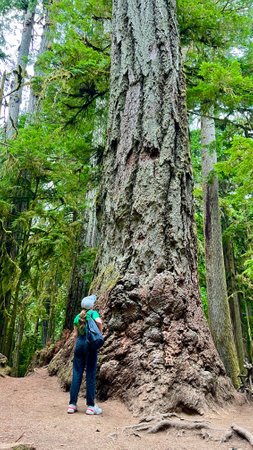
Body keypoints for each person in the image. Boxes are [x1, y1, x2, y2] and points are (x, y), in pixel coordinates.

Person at [67, 294, 103, 415]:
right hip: (90, 344)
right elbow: (99, 322)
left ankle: (72, 405)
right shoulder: (93, 314)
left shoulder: (77, 317)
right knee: (90, 375)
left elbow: (75, 335)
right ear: (91, 305)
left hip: (79, 345)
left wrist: (74, 348)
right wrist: (100, 334)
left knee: (77, 374)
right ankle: (90, 406)